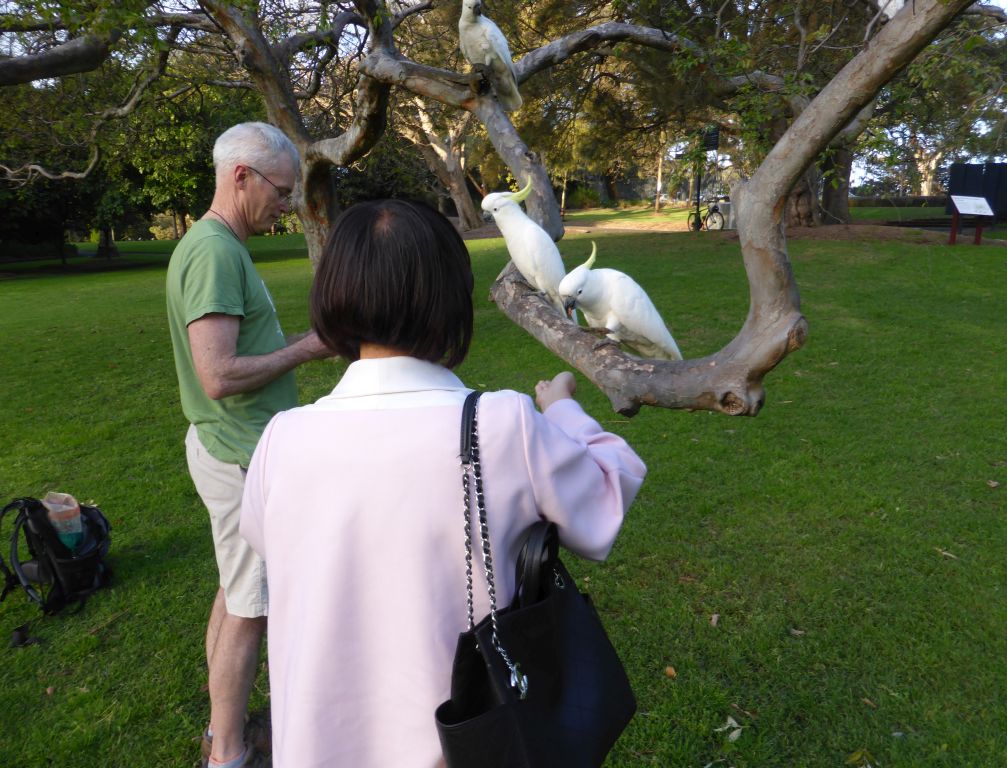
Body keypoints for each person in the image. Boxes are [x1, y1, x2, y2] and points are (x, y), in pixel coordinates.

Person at [239, 199, 647, 767]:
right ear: (450, 297)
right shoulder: (502, 425)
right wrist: (562, 412)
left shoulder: (282, 440)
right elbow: (610, 493)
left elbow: (268, 543)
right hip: (468, 740)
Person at [165, 121, 332, 768]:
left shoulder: (219, 245)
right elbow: (218, 374)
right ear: (241, 177)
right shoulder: (214, 252)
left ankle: (218, 731)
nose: (287, 204)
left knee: (234, 595)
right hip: (237, 455)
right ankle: (228, 753)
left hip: (233, 449)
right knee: (250, 611)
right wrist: (311, 348)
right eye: (282, 191)